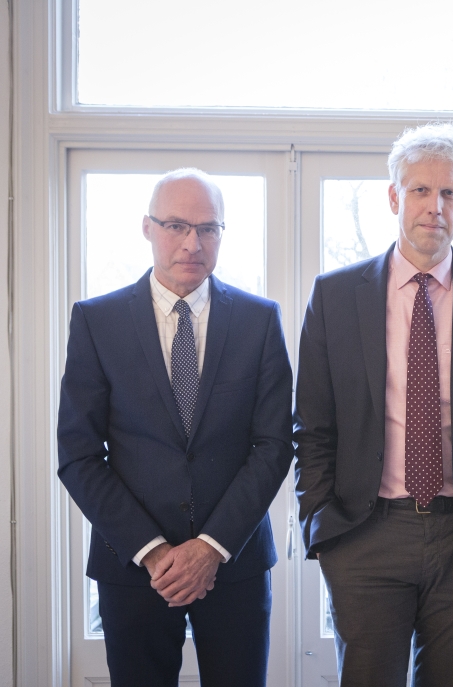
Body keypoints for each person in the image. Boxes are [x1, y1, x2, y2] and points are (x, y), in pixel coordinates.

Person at [294, 122, 453, 687]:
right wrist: (324, 530)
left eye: (449, 193)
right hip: (366, 535)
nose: (435, 206)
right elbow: (313, 426)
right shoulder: (336, 296)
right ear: (393, 197)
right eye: (420, 190)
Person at [56, 168, 294, 686]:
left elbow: (274, 446)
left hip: (235, 566)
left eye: (209, 229)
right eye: (176, 226)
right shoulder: (97, 321)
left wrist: (210, 548)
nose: (193, 242)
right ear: (147, 228)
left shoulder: (259, 321)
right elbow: (77, 453)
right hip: (134, 567)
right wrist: (155, 551)